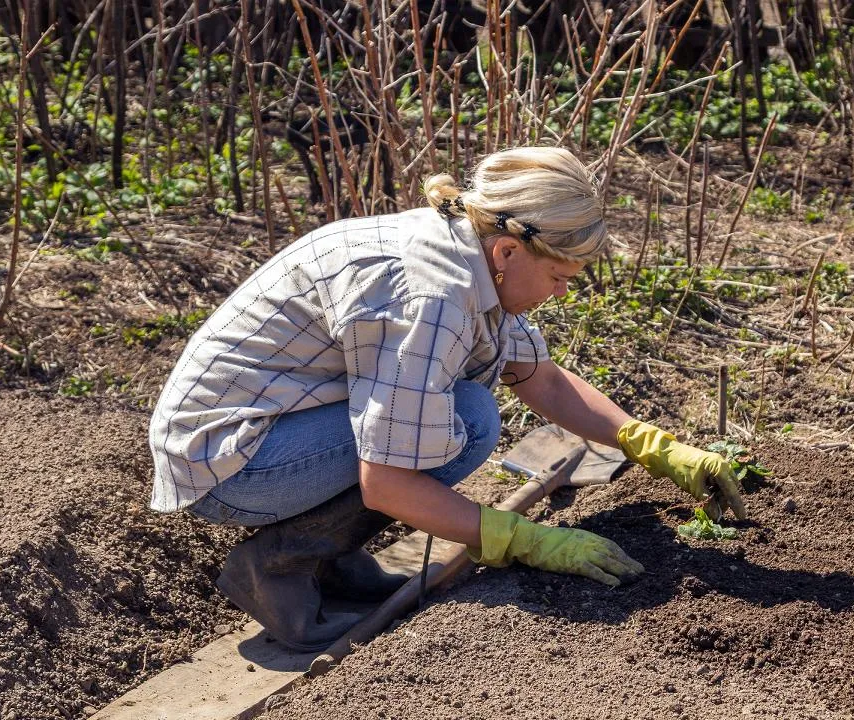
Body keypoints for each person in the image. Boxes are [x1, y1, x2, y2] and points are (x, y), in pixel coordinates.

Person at [147, 146, 748, 652]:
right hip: (229, 460)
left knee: (464, 418)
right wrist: (522, 539)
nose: (562, 294)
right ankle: (278, 568)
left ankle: (329, 556)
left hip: (279, 426)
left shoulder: (470, 252)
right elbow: (386, 481)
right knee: (465, 421)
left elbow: (538, 377)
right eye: (560, 278)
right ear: (510, 252)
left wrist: (654, 447)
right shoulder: (430, 296)